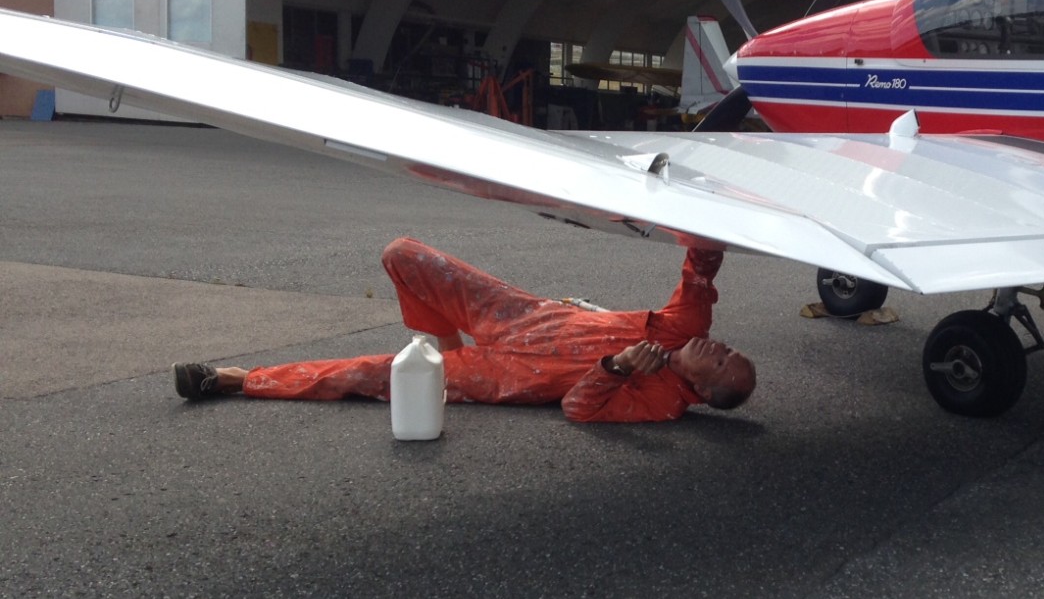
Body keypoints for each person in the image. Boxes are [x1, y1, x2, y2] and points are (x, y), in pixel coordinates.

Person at [172, 236, 755, 423]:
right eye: (731, 349)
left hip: (511, 373)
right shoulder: (688, 326)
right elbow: (701, 265)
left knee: (369, 375)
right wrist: (707, 214)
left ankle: (237, 380)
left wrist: (618, 367)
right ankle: (443, 348)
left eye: (722, 362)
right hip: (524, 316)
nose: (720, 347)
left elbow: (579, 409)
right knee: (404, 255)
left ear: (703, 392)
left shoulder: (661, 402)